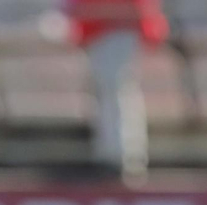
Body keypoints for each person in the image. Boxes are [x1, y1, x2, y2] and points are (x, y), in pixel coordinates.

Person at [66, 0, 169, 181]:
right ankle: (115, 157)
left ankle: (123, 159)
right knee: (108, 95)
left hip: (119, 31)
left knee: (117, 93)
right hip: (98, 33)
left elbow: (135, 9)